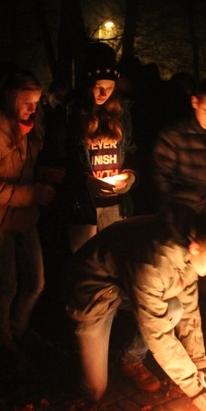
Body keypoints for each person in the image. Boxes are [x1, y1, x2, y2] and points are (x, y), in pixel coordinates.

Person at [66, 209, 206, 411]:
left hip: (125, 285)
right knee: (95, 390)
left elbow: (189, 310)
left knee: (175, 308)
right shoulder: (153, 262)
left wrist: (200, 366)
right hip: (95, 292)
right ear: (195, 248)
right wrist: (194, 389)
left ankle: (130, 360)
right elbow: (157, 331)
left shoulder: (190, 245)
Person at [0, 69, 63, 354]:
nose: (33, 109)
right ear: (10, 100)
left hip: (25, 219)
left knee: (36, 282)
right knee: (6, 285)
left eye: (36, 102)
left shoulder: (29, 132)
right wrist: (32, 193)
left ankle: (17, 329)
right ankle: (3, 340)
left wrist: (45, 174)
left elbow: (23, 171)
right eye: (27, 102)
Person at [62, 42, 137, 254]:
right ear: (88, 83)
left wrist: (131, 175)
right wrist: (86, 180)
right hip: (84, 204)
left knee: (113, 259)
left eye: (110, 87)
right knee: (86, 262)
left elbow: (130, 150)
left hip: (115, 202)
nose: (104, 93)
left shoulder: (121, 112)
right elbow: (66, 158)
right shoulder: (73, 113)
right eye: (98, 87)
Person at [152, 77, 206, 216]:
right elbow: (162, 177)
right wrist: (169, 212)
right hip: (179, 209)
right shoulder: (173, 133)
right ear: (195, 102)